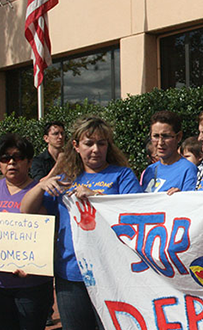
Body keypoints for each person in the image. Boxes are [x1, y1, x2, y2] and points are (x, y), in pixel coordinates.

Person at [21, 116, 143, 330]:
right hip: (70, 274)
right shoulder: (65, 178)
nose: (96, 149)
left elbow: (134, 213)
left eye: (102, 143)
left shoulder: (122, 175)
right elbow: (27, 209)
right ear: (76, 146)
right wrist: (42, 186)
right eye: (89, 143)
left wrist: (95, 196)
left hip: (111, 272)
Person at [0, 134, 53, 330]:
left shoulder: (42, 192)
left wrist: (33, 265)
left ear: (29, 161)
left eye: (18, 157)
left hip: (32, 285)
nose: (11, 162)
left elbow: (51, 233)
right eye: (5, 158)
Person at [141, 111, 197, 193]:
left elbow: (190, 201)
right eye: (156, 136)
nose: (160, 142)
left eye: (166, 136)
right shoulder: (150, 170)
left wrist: (179, 197)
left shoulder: (188, 169)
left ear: (178, 137)